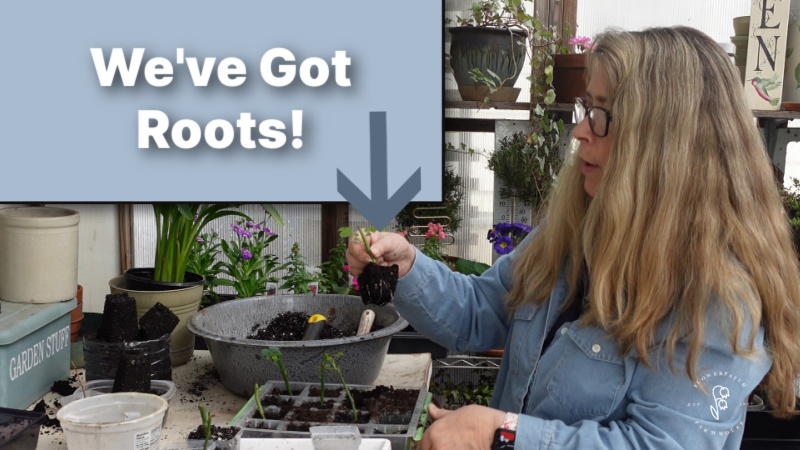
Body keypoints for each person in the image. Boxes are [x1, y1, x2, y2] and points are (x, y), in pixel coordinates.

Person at [346, 26, 800, 449]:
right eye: (588, 108)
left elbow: (658, 442)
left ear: (665, 144)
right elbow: (479, 311)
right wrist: (406, 267)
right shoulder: (575, 237)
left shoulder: (716, 301)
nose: (582, 130)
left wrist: (501, 434)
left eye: (603, 115)